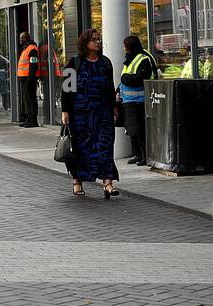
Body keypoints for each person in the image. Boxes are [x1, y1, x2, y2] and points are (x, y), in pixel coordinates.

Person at [61, 28, 120, 198]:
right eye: (94, 39)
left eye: (99, 39)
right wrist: (65, 110)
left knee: (105, 146)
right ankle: (77, 181)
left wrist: (114, 106)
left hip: (102, 113)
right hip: (80, 114)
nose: (98, 42)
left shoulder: (106, 63)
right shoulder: (74, 63)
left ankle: (108, 182)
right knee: (81, 148)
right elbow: (67, 89)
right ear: (85, 42)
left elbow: (110, 87)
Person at [118, 34, 157, 166]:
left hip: (140, 100)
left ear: (130, 47)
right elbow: (124, 76)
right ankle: (137, 154)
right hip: (129, 100)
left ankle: (145, 156)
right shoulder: (130, 59)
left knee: (140, 130)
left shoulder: (143, 58)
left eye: (125, 46)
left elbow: (140, 78)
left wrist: (125, 79)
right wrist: (118, 91)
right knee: (132, 129)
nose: (124, 49)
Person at [16, 31, 40, 127]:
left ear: (26, 38)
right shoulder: (26, 49)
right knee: (27, 100)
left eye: (21, 38)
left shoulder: (32, 49)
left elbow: (33, 64)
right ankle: (29, 119)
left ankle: (33, 120)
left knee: (31, 99)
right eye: (20, 38)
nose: (20, 40)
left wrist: (30, 78)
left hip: (29, 78)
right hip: (24, 78)